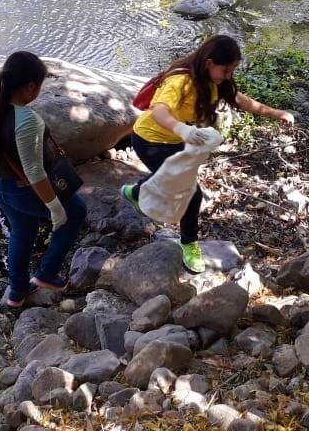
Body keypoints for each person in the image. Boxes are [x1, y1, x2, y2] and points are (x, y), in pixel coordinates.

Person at [120, 35, 294, 273]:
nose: (229, 76)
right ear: (209, 63)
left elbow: (241, 100)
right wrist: (183, 129)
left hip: (178, 140)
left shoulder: (215, 81)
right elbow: (159, 111)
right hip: (150, 140)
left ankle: (136, 192)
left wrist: (277, 113)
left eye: (232, 70)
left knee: (175, 181)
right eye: (226, 70)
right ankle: (189, 244)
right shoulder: (180, 81)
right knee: (191, 193)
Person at [0, 51, 88, 307]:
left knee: (22, 231)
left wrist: (4, 169)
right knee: (76, 212)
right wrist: (55, 208)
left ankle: (17, 292)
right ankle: (47, 274)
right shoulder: (27, 121)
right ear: (30, 87)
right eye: (40, 87)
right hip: (24, 189)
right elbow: (35, 173)